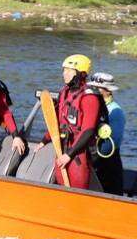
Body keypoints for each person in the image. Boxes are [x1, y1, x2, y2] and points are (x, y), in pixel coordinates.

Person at [34, 54, 104, 190]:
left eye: (69, 70)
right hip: (62, 152)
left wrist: (69, 155)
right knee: (61, 189)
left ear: (80, 73)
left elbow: (88, 131)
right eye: (64, 70)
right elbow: (57, 125)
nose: (64, 74)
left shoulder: (90, 97)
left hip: (78, 156)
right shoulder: (64, 92)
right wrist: (43, 141)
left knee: (76, 192)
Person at [87, 72, 125, 195]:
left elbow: (113, 141)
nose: (94, 90)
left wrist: (93, 159)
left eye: (98, 87)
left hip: (107, 164)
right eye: (92, 87)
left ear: (108, 91)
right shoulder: (93, 106)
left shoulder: (115, 111)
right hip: (92, 159)